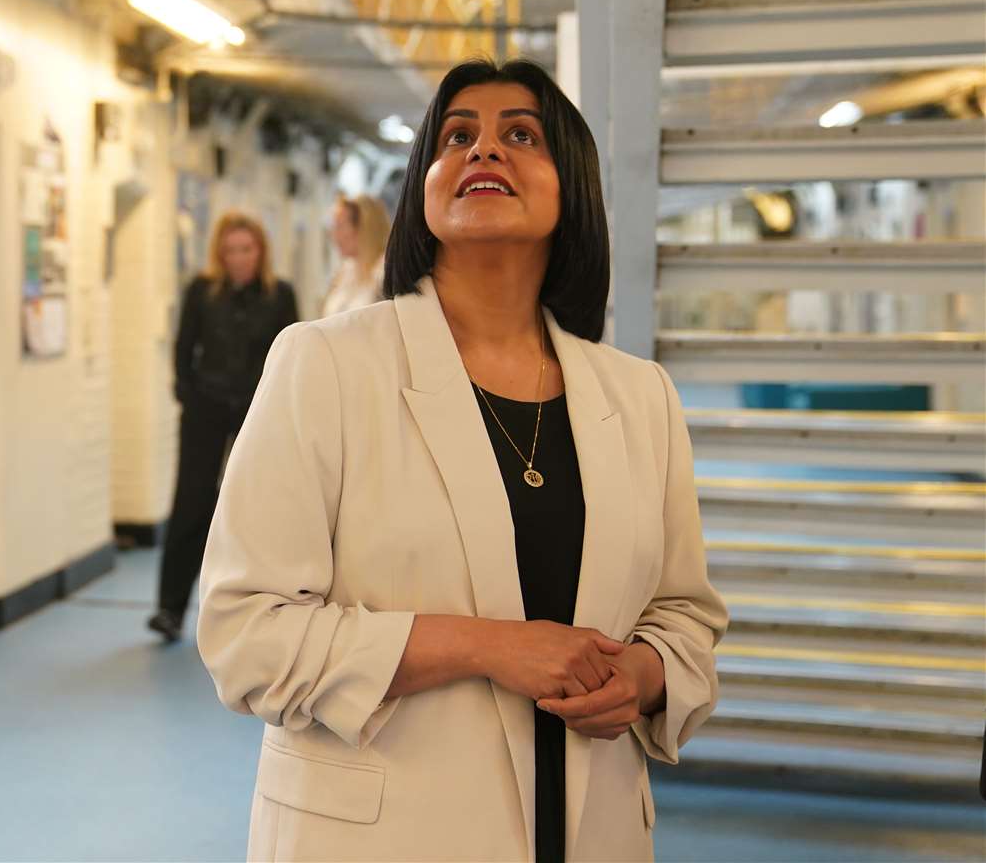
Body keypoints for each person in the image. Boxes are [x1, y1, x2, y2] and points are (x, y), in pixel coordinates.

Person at [196, 59, 727, 862]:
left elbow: (684, 616)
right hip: (386, 837)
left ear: (571, 188)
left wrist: (647, 674)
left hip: (592, 831)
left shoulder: (640, 396)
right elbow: (246, 636)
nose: (484, 150)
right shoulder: (325, 365)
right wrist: (491, 645)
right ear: (425, 190)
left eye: (521, 134)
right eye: (457, 136)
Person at [149, 211, 298, 643]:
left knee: (262, 506)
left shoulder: (279, 294)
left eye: (246, 249)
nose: (238, 259)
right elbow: (183, 348)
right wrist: (187, 394)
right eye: (230, 250)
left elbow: (292, 351)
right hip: (206, 407)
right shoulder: (202, 291)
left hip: (259, 409)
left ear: (260, 251)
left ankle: (268, 609)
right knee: (191, 502)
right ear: (220, 253)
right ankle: (169, 609)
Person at [321, 194, 390, 317]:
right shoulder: (344, 272)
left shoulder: (385, 273)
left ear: (364, 226)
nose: (335, 235)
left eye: (340, 226)